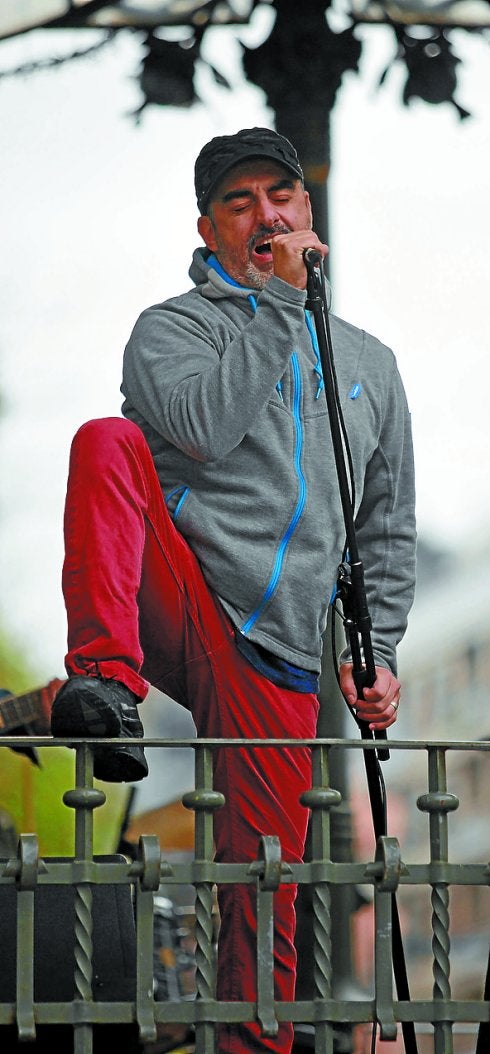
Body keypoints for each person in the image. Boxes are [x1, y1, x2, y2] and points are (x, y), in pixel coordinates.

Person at [50, 127, 416, 1054]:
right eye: (239, 202)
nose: (266, 215)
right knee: (105, 441)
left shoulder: (369, 365)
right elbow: (205, 428)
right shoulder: (172, 329)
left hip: (279, 647)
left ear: (307, 210)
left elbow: (384, 525)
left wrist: (376, 651)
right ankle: (104, 684)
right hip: (182, 592)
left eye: (280, 196)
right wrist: (281, 305)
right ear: (209, 229)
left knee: (264, 890)